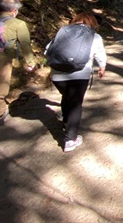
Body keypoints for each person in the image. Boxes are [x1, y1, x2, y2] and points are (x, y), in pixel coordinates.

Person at [47, 12, 106, 152]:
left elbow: (47, 51)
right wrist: (102, 67)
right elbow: (100, 54)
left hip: (58, 75)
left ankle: (66, 122)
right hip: (80, 75)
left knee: (66, 97)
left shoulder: (61, 33)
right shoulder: (94, 36)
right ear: (92, 22)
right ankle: (70, 139)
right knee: (75, 104)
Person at [0, 0, 37, 126]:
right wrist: (31, 62)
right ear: (14, 10)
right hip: (2, 59)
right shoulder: (18, 23)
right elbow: (25, 44)